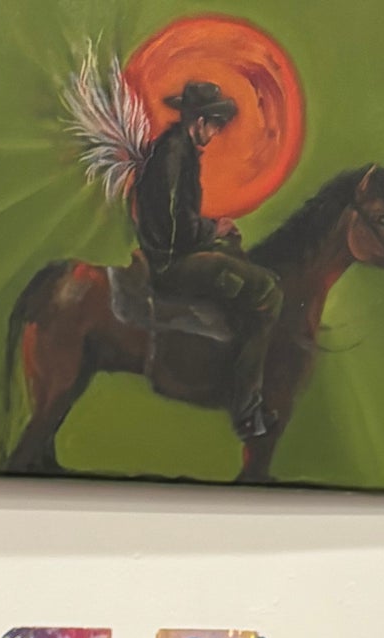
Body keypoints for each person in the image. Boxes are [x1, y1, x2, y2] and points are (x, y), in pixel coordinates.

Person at [132, 78, 283, 439]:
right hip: (171, 264)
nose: (215, 134)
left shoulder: (176, 149)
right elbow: (175, 226)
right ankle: (245, 408)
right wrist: (213, 229)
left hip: (173, 252)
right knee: (268, 291)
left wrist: (215, 231)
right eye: (214, 125)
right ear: (199, 121)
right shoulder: (174, 155)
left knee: (236, 255)